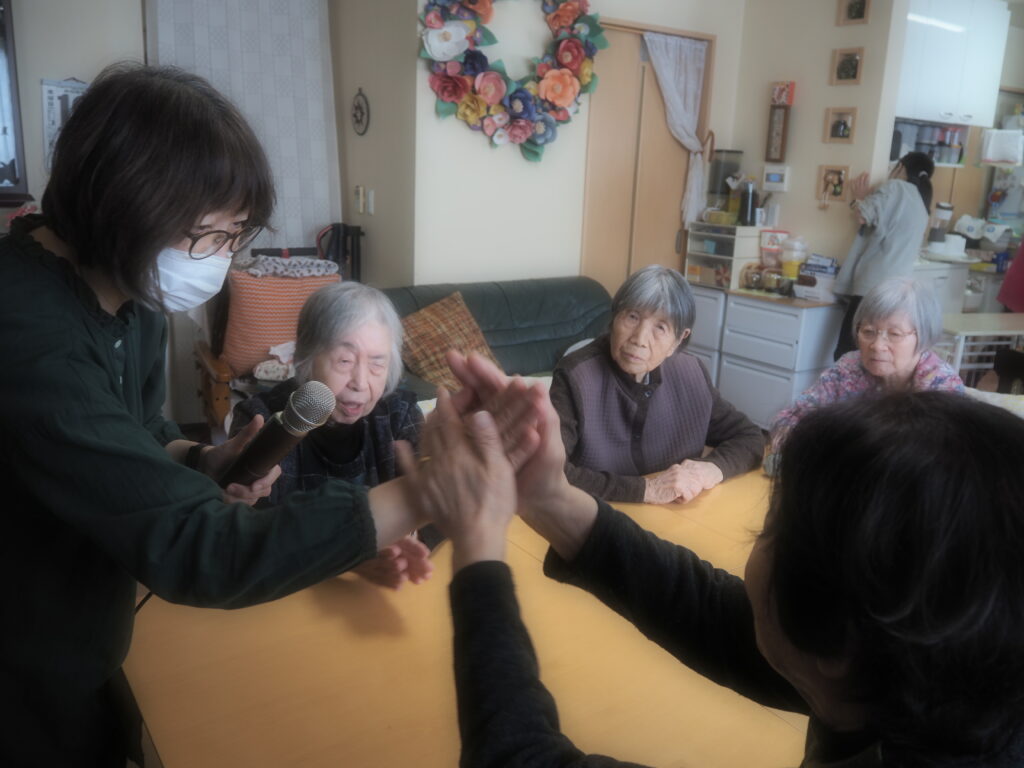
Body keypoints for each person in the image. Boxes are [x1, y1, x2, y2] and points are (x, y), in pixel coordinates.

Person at [0, 63, 445, 767]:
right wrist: (428, 492)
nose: (225, 258)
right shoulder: (28, 334)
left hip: (94, 635)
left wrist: (200, 460)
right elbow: (195, 548)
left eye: (239, 234)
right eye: (215, 234)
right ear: (128, 205)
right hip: (24, 665)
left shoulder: (130, 293)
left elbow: (142, 432)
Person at [404, 357, 1024, 767]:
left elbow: (518, 759)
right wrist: (548, 496)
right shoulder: (934, 676)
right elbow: (728, 621)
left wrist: (478, 547)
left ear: (833, 643)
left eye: (771, 526)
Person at [231, 281, 440, 588]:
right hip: (292, 593)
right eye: (344, 361)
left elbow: (434, 510)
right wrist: (348, 558)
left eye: (377, 364)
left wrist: (413, 532)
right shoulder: (262, 420)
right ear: (305, 358)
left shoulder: (399, 414)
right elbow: (251, 533)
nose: (360, 382)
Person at [549, 266, 763, 505]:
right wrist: (647, 490)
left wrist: (711, 469)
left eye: (660, 327)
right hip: (596, 515)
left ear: (679, 340)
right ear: (614, 317)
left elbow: (750, 437)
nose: (639, 339)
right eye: (632, 317)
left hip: (676, 516)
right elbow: (549, 472)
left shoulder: (691, 375)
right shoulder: (575, 376)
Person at [765, 277, 963, 473]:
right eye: (868, 331)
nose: (877, 345)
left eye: (894, 334)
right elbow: (789, 419)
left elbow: (940, 461)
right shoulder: (848, 368)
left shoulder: (942, 388)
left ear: (924, 336)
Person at [833, 151, 935, 360]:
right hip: (897, 290)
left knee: (847, 352)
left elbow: (863, 216)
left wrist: (859, 199)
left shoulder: (895, 187)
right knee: (876, 351)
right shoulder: (922, 202)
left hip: (871, 286)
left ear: (901, 167)